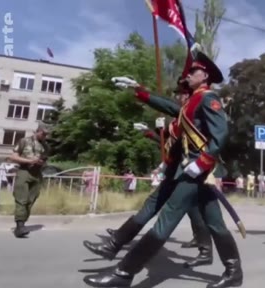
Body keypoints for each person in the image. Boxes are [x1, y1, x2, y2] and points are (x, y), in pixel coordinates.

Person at [84, 51, 243, 288]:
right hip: (182, 170)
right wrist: (139, 90)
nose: (187, 75)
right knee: (214, 223)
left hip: (196, 171)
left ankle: (124, 273)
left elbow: (220, 135)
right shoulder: (192, 101)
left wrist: (201, 163)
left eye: (192, 71)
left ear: (205, 75)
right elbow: (169, 106)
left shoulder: (209, 98)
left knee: (166, 219)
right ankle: (234, 272)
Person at [84, 77, 213, 270]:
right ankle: (113, 246)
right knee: (152, 207)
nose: (179, 96)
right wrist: (152, 133)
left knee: (206, 218)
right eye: (179, 93)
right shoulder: (180, 119)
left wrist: (140, 90)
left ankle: (216, 257)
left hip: (194, 172)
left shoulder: (195, 110)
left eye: (182, 92)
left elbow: (169, 106)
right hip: (175, 170)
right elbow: (169, 142)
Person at [8, 122, 50, 238]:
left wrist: (42, 162)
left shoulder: (46, 146)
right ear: (38, 131)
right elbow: (13, 157)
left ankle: (22, 224)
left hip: (37, 174)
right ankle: (20, 226)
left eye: (46, 135)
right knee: (21, 199)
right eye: (43, 133)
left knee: (31, 199)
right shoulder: (24, 141)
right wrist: (29, 161)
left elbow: (45, 160)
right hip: (24, 171)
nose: (44, 136)